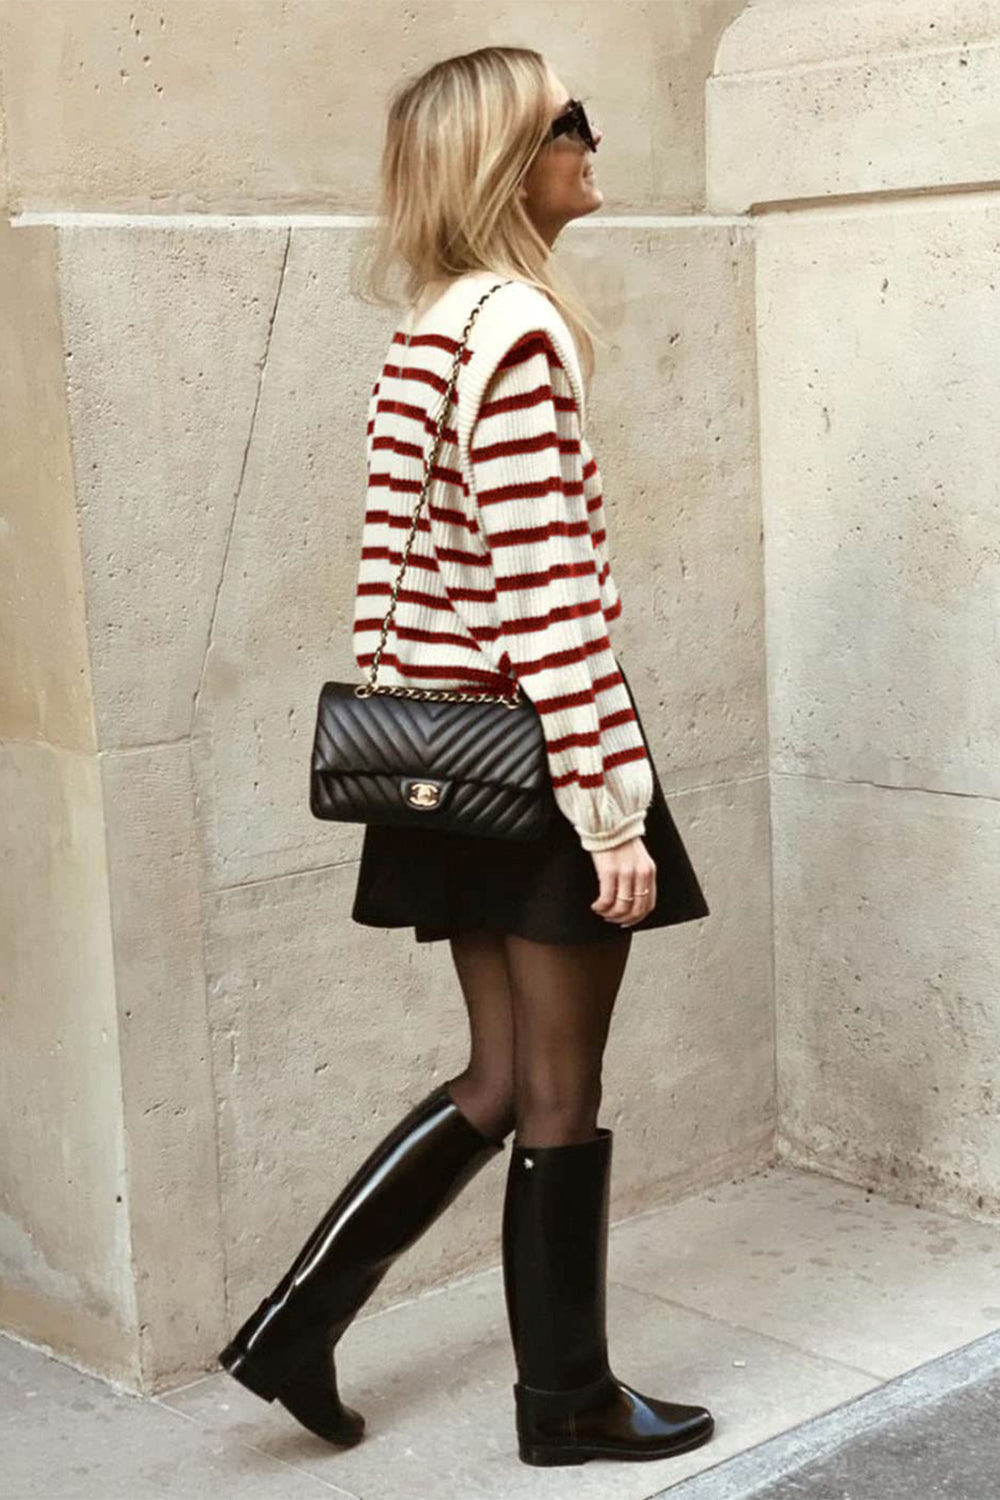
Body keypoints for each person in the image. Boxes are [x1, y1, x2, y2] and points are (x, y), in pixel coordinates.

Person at [219, 45, 714, 1468]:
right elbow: (545, 596)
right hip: (541, 753)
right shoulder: (519, 332)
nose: (591, 139)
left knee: (499, 1078)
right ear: (509, 160)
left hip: (453, 759)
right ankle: (567, 1405)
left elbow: (402, 575)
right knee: (557, 1094)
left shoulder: (434, 326)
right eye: (569, 123)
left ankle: (294, 1329)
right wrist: (608, 810)